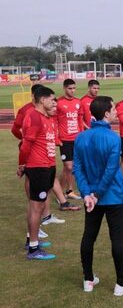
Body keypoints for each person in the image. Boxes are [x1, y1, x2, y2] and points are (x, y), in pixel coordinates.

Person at [74, 96, 123, 295]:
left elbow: (77, 168)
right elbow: (111, 169)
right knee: (117, 238)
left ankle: (88, 279)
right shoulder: (113, 137)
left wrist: (87, 193)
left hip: (92, 198)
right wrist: (95, 194)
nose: (116, 111)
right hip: (112, 196)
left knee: (89, 236)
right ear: (105, 113)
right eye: (113, 108)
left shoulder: (81, 137)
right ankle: (121, 284)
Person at [12, 85, 80, 216]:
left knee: (47, 183)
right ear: (40, 98)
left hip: (46, 156)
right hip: (34, 155)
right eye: (51, 99)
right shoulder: (29, 112)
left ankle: (50, 212)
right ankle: (37, 222)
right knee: (33, 189)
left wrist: (52, 140)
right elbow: (16, 130)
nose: (54, 103)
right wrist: (26, 139)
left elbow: (47, 131)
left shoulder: (46, 113)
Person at [18, 86, 59, 260]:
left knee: (39, 206)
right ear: (42, 100)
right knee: (36, 208)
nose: (54, 102)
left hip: (48, 166)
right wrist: (22, 164)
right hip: (38, 168)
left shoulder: (46, 117)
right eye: (52, 99)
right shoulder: (33, 117)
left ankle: (31, 240)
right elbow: (26, 144)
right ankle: (34, 249)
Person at [56, 78, 85, 200]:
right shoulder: (58, 103)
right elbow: (54, 121)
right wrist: (56, 138)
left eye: (74, 88)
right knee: (68, 166)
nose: (72, 91)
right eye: (70, 88)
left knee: (73, 166)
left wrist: (82, 135)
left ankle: (70, 190)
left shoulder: (78, 102)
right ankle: (60, 193)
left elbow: (79, 120)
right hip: (65, 139)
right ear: (64, 88)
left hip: (76, 138)